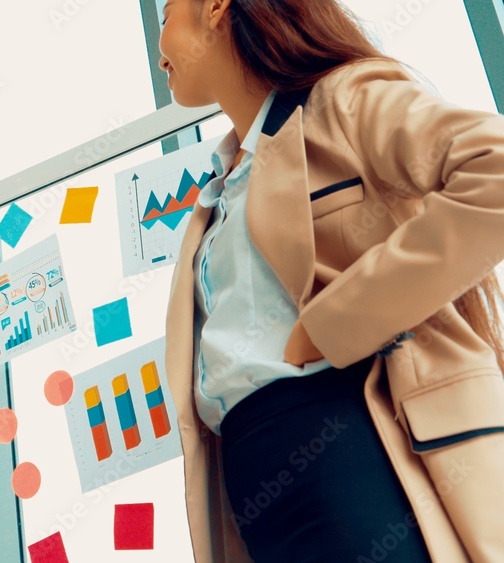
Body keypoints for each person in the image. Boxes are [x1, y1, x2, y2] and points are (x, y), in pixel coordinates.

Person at [157, 1, 504, 561]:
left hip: (353, 450)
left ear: (216, 8)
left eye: (165, 15)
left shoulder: (342, 100)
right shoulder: (219, 193)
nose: (160, 50)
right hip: (256, 489)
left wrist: (336, 321)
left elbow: (496, 167)